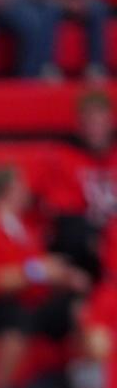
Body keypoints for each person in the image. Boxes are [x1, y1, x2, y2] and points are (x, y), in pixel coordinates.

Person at [0, 164, 90, 388]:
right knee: (17, 317)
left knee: (78, 307)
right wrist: (39, 271)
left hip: (35, 298)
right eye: (20, 186)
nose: (27, 191)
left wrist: (67, 276)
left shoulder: (26, 228)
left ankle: (83, 380)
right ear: (5, 191)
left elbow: (41, 267)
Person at [38, 90, 117, 280]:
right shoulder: (63, 158)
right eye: (89, 124)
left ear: (111, 122)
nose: (95, 130)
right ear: (80, 126)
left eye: (99, 123)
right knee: (72, 233)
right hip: (83, 249)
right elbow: (64, 214)